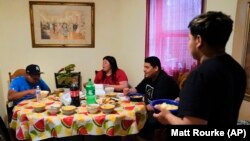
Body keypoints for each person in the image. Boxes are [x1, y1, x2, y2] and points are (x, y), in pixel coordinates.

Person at [153, 11, 246, 125]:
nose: (188, 43)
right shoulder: (238, 70)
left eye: (189, 38)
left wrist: (167, 116)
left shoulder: (200, 75)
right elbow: (217, 104)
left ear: (198, 40)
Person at [123, 56, 180, 140]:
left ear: (156, 68)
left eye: (147, 67)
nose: (144, 69)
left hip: (165, 112)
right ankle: (132, 135)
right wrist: (128, 90)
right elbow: (137, 89)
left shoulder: (164, 81)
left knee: (139, 117)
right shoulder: (148, 77)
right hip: (152, 107)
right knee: (132, 114)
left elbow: (155, 105)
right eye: (144, 67)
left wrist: (141, 109)